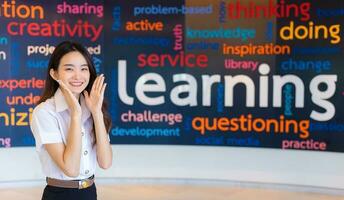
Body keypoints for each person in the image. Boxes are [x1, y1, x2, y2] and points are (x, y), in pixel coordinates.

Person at [30, 41, 112, 200]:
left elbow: (106, 162)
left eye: (84, 69)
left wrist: (96, 112)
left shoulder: (93, 107)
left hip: (90, 191)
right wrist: (75, 114)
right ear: (54, 74)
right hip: (60, 194)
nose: (78, 76)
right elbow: (71, 169)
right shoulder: (45, 112)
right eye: (69, 69)